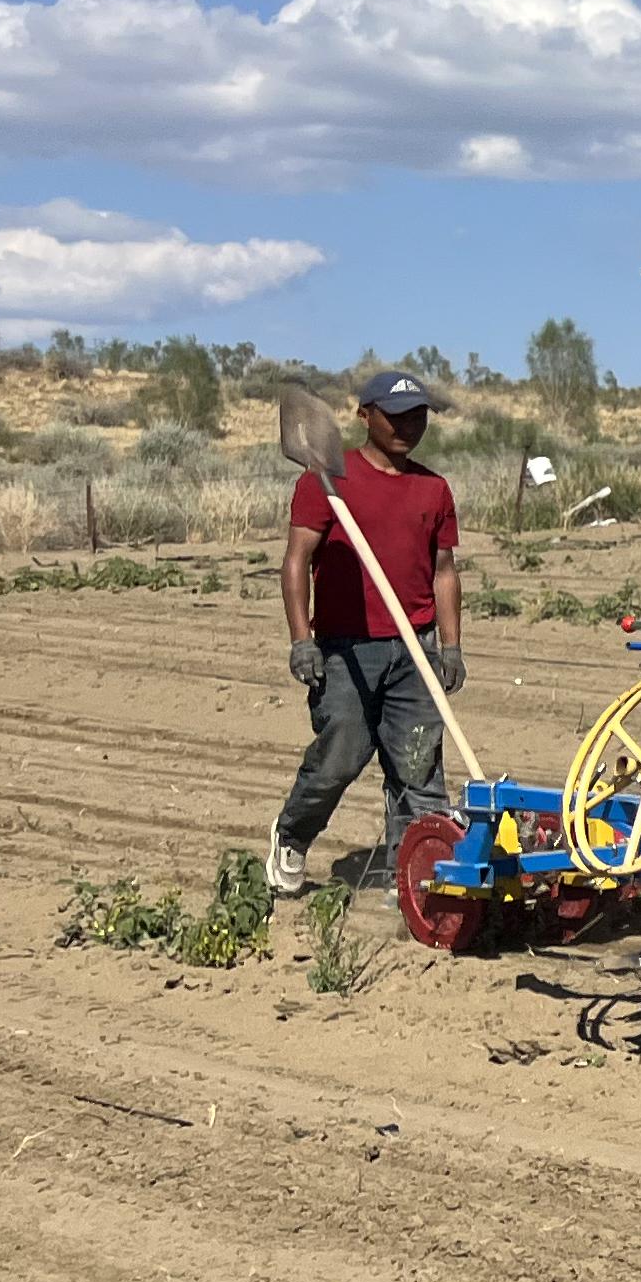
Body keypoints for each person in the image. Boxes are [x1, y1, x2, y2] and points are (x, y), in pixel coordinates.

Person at [272, 370, 462, 894]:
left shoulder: (433, 488)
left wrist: (451, 646)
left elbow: (444, 570)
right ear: (365, 415)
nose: (407, 427)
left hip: (415, 649)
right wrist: (300, 639)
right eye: (395, 416)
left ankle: (415, 881)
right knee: (339, 758)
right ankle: (292, 837)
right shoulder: (327, 481)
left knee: (419, 773)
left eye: (417, 416)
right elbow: (296, 561)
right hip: (344, 649)